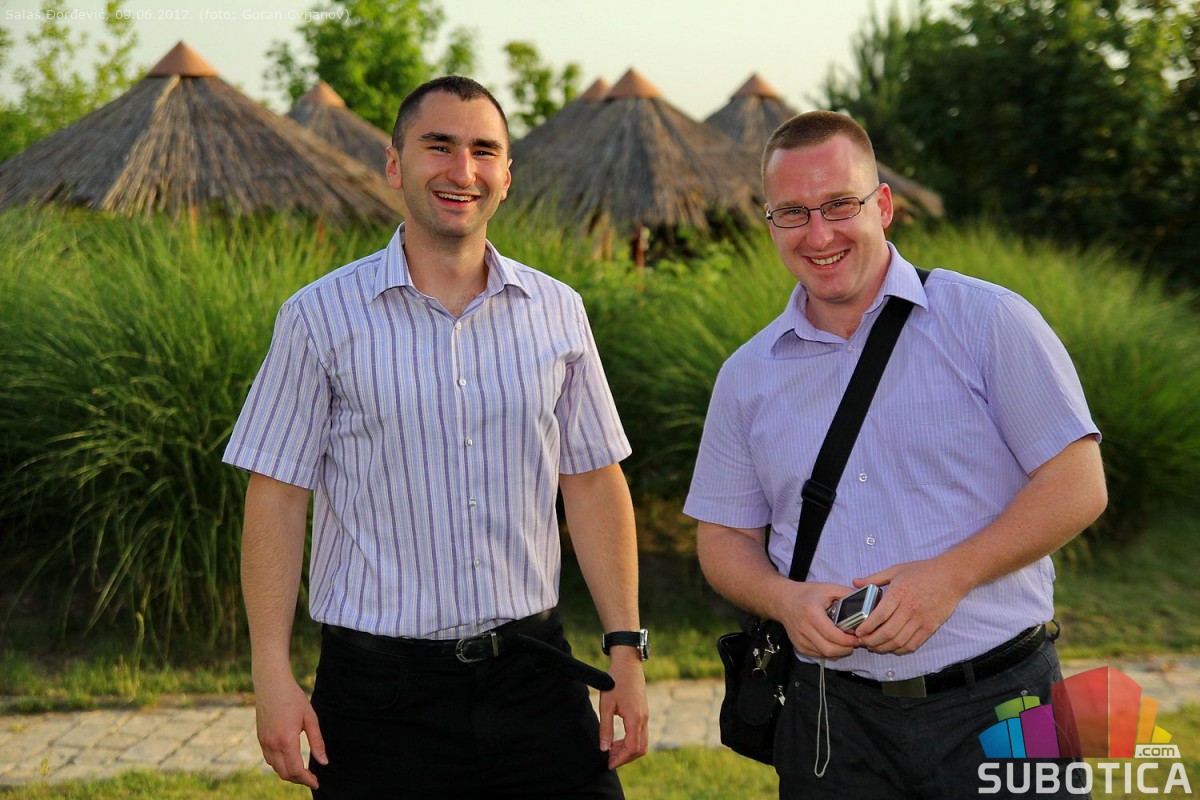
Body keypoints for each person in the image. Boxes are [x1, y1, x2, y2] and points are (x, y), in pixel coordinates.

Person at [224, 76, 648, 799]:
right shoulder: (317, 318)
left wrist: (626, 652)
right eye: (439, 146)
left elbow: (592, 482)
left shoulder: (559, 312)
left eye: (484, 151)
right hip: (378, 700)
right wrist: (271, 672)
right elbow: (277, 497)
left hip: (536, 681)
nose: (462, 170)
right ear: (395, 165)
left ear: (507, 175)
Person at [685, 111, 1107, 799]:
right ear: (770, 224)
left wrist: (949, 577)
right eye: (792, 213)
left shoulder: (988, 321)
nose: (818, 234)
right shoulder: (746, 375)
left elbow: (1079, 483)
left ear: (882, 205)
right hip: (831, 720)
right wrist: (784, 601)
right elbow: (724, 537)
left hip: (1003, 701)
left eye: (838, 205)